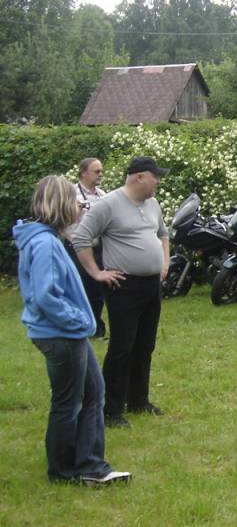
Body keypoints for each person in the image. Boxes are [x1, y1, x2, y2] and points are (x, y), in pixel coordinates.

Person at [13, 175, 131, 485]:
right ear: (61, 204)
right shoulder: (44, 244)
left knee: (93, 393)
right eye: (77, 202)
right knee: (69, 402)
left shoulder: (46, 239)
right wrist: (77, 321)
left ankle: (88, 465)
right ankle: (66, 471)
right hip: (61, 335)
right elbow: (46, 296)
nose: (80, 208)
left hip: (64, 333)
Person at [73, 156, 171, 428]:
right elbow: (81, 238)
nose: (158, 181)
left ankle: (139, 400)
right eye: (155, 176)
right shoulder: (108, 204)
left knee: (145, 344)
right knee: (122, 347)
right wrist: (97, 273)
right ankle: (111, 409)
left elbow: (163, 234)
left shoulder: (152, 203)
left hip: (151, 285)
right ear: (140, 177)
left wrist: (164, 263)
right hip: (123, 286)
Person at [71, 157, 107, 338]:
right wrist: (74, 211)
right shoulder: (71, 194)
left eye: (101, 171)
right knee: (82, 288)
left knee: (98, 289)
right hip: (77, 248)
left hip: (99, 247)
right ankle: (83, 326)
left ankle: (96, 327)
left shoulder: (102, 195)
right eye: (96, 171)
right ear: (83, 173)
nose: (100, 174)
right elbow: (63, 222)